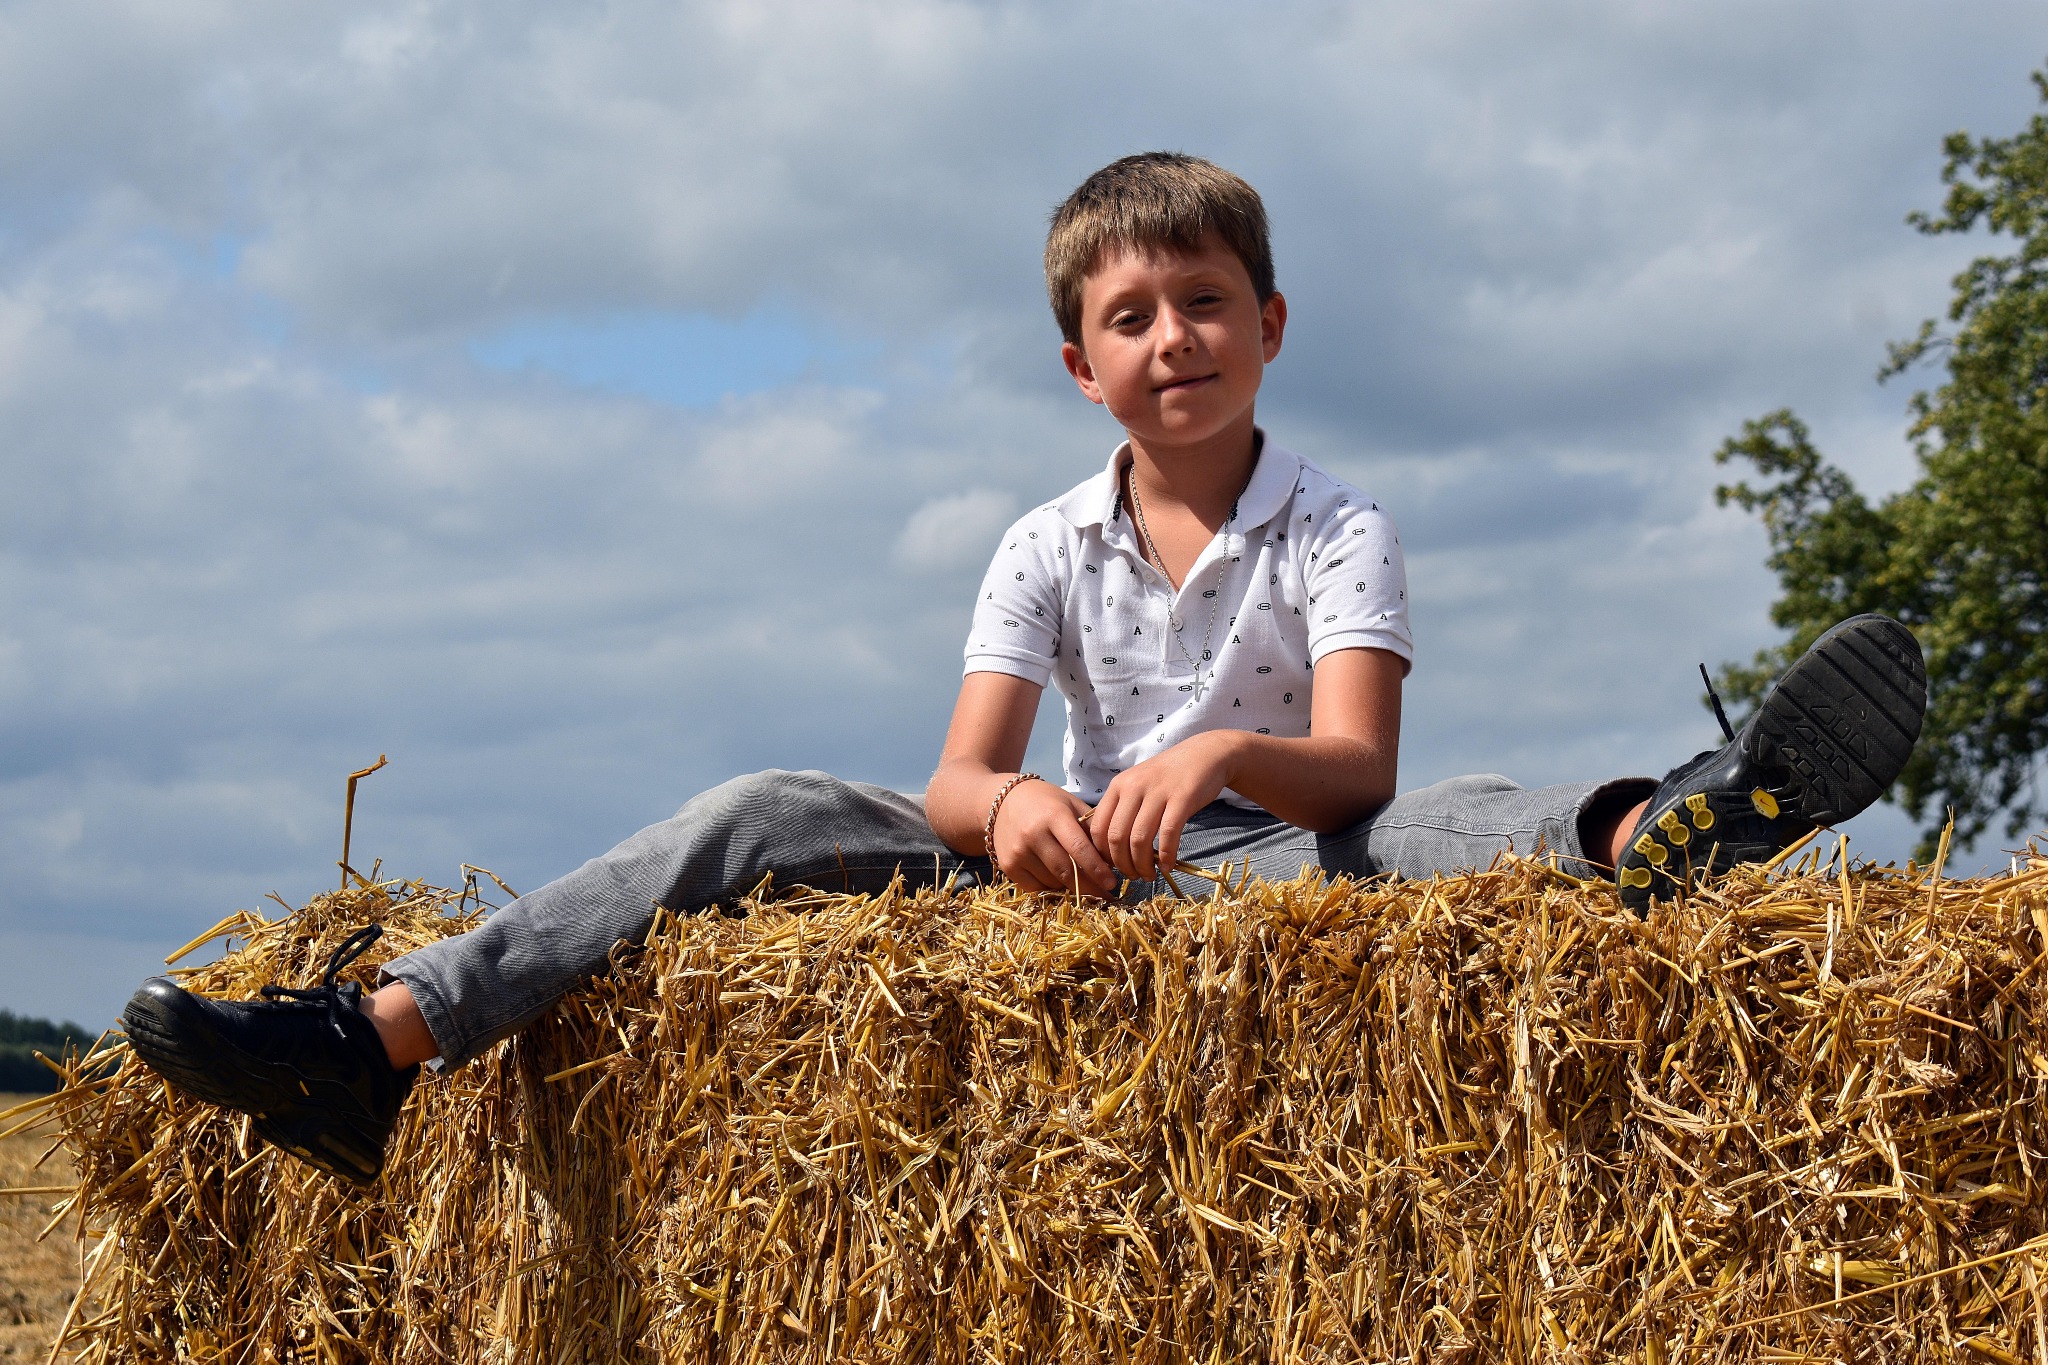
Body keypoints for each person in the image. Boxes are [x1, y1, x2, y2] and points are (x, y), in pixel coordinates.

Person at [122, 153, 1927, 1186]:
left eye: (1206, 303)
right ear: (1082, 365)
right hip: (1050, 890)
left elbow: (1360, 766)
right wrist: (1028, 808)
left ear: (1272, 326)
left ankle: (1666, 831)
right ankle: (376, 1036)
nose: (1174, 340)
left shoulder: (1341, 522)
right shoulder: (1040, 541)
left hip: (1277, 864)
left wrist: (1224, 751)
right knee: (760, 805)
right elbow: (966, 767)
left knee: (1443, 820)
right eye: (1130, 319)